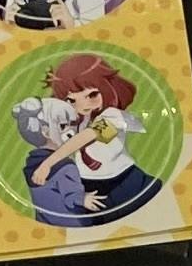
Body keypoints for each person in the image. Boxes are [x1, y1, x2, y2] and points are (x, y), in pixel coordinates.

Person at [20, 51, 159, 224]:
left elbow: (87, 137)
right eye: (72, 100)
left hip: (123, 180)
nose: (83, 104)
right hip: (88, 185)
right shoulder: (79, 119)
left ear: (108, 88)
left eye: (92, 95)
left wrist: (47, 164)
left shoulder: (112, 117)